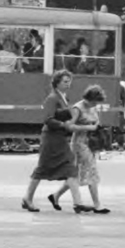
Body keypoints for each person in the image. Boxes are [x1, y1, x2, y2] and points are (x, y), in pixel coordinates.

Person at [23, 69, 77, 211]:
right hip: (51, 138)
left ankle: (76, 201)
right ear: (57, 83)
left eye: (69, 81)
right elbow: (47, 119)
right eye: (65, 81)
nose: (68, 84)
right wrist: (64, 124)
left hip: (60, 138)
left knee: (70, 167)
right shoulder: (52, 98)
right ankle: (28, 198)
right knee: (42, 169)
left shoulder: (64, 98)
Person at [69, 84, 111, 214]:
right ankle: (97, 205)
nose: (96, 104)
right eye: (95, 102)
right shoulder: (78, 108)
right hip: (79, 143)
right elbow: (70, 126)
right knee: (91, 171)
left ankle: (56, 196)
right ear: (90, 98)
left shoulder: (92, 108)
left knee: (76, 173)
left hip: (91, 143)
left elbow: (95, 122)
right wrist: (88, 128)